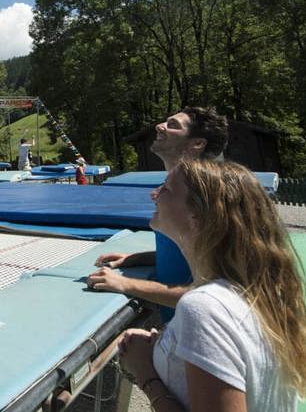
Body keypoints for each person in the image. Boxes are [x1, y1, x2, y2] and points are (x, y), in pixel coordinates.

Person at [118, 160, 306, 412]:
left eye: (167, 189)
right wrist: (166, 346)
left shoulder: (205, 308)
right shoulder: (259, 295)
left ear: (197, 215)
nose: (154, 194)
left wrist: (146, 373)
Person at [87, 107, 228, 316]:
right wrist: (137, 258)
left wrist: (127, 284)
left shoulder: (206, 198)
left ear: (197, 143)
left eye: (173, 125)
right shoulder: (175, 192)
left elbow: (220, 294)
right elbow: (195, 253)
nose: (159, 126)